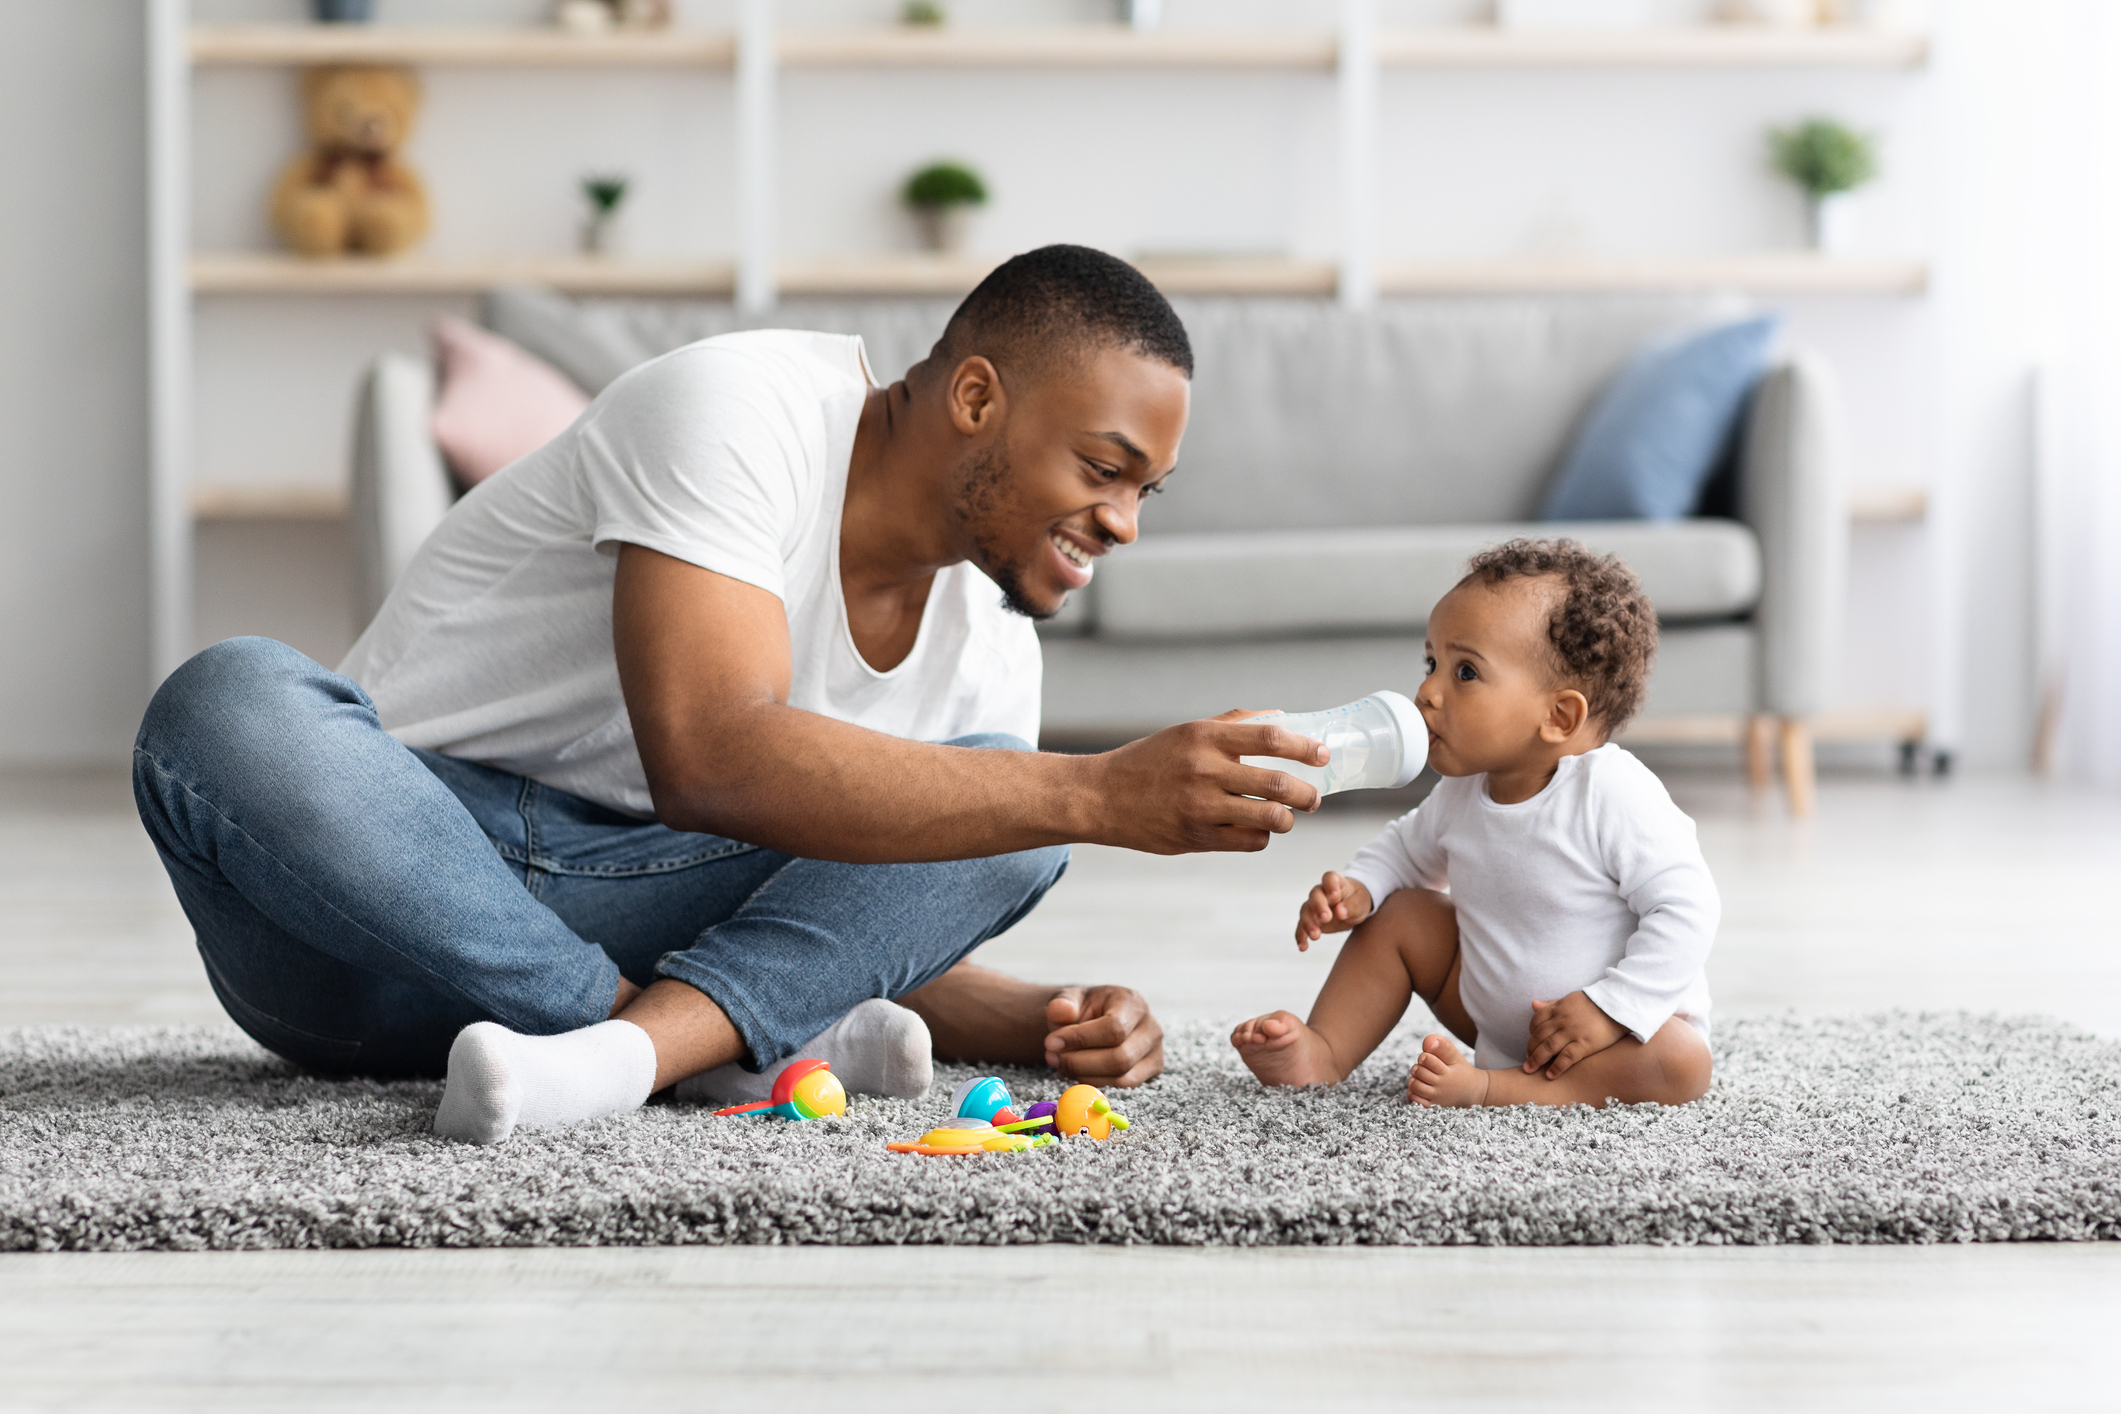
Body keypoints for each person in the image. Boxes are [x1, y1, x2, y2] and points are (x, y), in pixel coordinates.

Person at [135, 246, 1331, 1144]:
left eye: (1147, 493)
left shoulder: (990, 653)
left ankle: (620, 1055)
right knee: (227, 699)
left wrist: (1039, 1015)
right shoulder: (741, 409)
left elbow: (833, 920)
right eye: (1105, 469)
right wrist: (1101, 787)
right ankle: (650, 1044)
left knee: (1018, 821)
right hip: (369, 921)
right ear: (976, 399)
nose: (1122, 523)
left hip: (657, 920)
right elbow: (706, 755)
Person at [1230, 539, 1718, 1108]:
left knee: (1684, 1062)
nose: (1426, 692)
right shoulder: (1463, 788)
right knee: (1403, 914)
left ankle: (1495, 1088)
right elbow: (1404, 852)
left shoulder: (1611, 793)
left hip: (1608, 1042)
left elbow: (1688, 910)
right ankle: (1325, 1050)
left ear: (1558, 716)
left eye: (1464, 672)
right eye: (1430, 663)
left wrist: (1611, 1009)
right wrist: (1360, 890)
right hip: (1497, 1017)